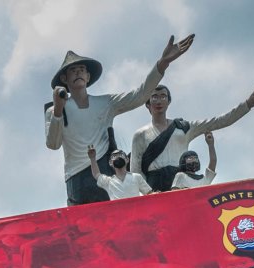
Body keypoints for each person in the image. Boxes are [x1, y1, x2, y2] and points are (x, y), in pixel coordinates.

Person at [45, 36, 194, 206]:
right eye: (73, 70)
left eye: (81, 69)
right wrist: (58, 110)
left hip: (104, 173)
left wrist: (163, 63)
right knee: (81, 227)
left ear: (87, 76)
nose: (78, 73)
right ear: (64, 78)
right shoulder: (55, 109)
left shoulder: (105, 103)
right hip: (76, 178)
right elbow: (53, 144)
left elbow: (140, 95)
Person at [130, 81, 254, 191]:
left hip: (181, 184)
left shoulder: (184, 128)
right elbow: (135, 172)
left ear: (168, 102)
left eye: (163, 96)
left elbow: (220, 121)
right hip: (154, 187)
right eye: (154, 97)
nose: (159, 100)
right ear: (147, 104)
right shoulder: (140, 135)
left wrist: (249, 103)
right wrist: (148, 194)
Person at [87, 146, 152, 200]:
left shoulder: (136, 177)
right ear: (110, 163)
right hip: (119, 214)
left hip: (136, 212)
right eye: (114, 156)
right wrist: (92, 158)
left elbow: (149, 193)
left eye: (121, 155)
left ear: (127, 159)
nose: (118, 157)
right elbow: (96, 174)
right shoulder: (108, 181)